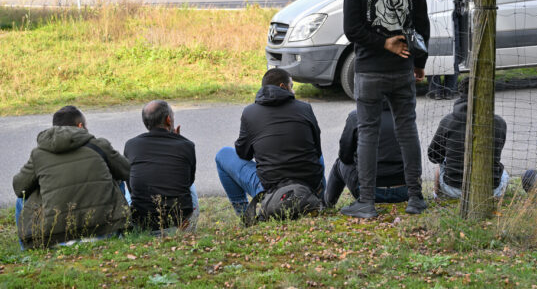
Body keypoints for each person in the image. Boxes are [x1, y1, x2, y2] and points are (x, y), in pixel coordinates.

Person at [342, 0, 430, 218]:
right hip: (402, 68)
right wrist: (418, 63)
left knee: (368, 133)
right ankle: (415, 198)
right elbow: (421, 24)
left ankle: (366, 202)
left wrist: (381, 43)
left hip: (368, 71)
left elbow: (352, 30)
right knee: (407, 130)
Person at [13, 106, 130, 249]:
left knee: (23, 196)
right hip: (104, 231)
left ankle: (26, 249)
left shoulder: (38, 154)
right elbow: (127, 171)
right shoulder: (99, 145)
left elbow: (18, 188)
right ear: (80, 126)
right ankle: (122, 230)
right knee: (117, 179)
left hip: (57, 239)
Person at [215, 68, 324, 216]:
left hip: (271, 189)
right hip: (308, 183)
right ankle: (323, 200)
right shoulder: (304, 108)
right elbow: (317, 148)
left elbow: (243, 154)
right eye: (292, 86)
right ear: (283, 86)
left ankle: (244, 214)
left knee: (222, 155)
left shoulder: (249, 112)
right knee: (317, 154)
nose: (293, 92)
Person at [428, 78, 509, 199]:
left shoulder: (448, 121)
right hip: (490, 190)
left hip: (454, 189)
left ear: (461, 93)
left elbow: (433, 156)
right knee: (504, 173)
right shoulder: (499, 123)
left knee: (440, 166)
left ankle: (437, 195)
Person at [123, 100, 197, 232]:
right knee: (189, 184)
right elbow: (188, 181)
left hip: (144, 225)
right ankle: (188, 231)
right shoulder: (187, 145)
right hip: (179, 223)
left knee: (130, 189)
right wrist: (178, 141)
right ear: (169, 120)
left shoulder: (131, 145)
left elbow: (131, 187)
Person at [325, 102, 408, 207]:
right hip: (404, 191)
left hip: (368, 193)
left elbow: (345, 157)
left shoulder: (356, 116)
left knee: (339, 163)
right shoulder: (405, 117)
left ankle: (327, 204)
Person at [418, 0, 471, 99]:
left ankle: (435, 90)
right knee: (452, 49)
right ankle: (450, 90)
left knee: (432, 49)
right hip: (450, 13)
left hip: (430, 14)